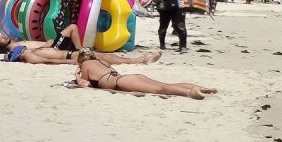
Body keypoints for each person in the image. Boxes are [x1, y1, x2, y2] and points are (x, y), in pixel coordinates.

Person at [71, 50, 216, 99]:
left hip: (122, 82)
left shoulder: (85, 65)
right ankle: (200, 88)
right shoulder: (101, 61)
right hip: (129, 78)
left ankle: (190, 92)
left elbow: (85, 84)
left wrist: (77, 74)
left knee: (160, 89)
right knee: (163, 85)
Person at [0, 31, 161, 65]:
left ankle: (137, 60)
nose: (2, 37)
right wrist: (68, 63)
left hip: (67, 54)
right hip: (67, 56)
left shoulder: (23, 47)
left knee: (99, 56)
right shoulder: (22, 51)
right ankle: (138, 60)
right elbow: (43, 60)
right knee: (100, 57)